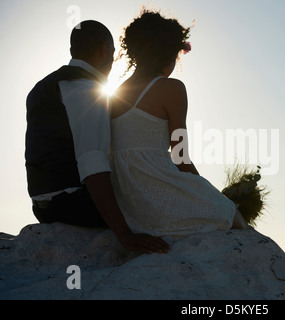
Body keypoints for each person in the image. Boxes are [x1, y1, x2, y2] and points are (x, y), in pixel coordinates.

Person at [25, 20, 170, 254]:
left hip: (43, 205)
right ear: (105, 49)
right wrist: (125, 235)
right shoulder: (85, 89)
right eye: (113, 52)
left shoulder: (44, 86)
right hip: (73, 204)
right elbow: (93, 165)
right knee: (169, 205)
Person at [109, 10, 250, 237]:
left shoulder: (113, 94)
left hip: (127, 202)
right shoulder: (172, 88)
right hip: (157, 191)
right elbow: (180, 157)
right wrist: (211, 195)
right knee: (232, 215)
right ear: (168, 53)